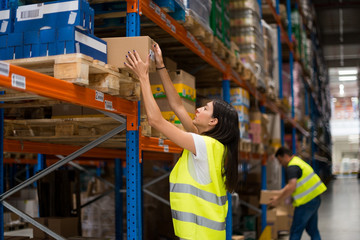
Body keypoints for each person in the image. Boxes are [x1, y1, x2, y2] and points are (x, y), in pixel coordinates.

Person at [125, 44, 239, 240]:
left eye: (205, 109)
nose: (198, 109)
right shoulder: (211, 145)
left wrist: (143, 77)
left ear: (213, 121)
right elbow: (177, 105)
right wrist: (160, 66)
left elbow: (155, 120)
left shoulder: (205, 146)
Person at [269, 147, 327, 240]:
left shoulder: (292, 167)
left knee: (295, 231)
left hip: (305, 202)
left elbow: (292, 186)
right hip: (315, 199)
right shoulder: (298, 162)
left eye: (280, 161)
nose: (280, 164)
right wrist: (279, 193)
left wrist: (278, 200)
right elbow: (290, 186)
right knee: (313, 230)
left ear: (285, 156)